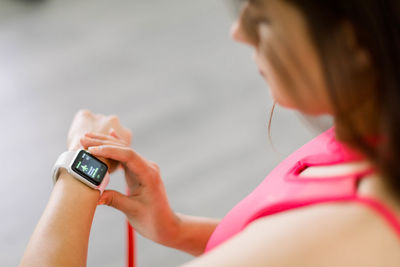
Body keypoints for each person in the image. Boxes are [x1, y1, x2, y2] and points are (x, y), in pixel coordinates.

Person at [21, 0, 400, 266]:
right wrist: (176, 230)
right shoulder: (375, 131)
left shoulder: (346, 231)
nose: (238, 32)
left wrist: (78, 169)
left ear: (354, 42)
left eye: (262, 18)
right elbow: (275, 238)